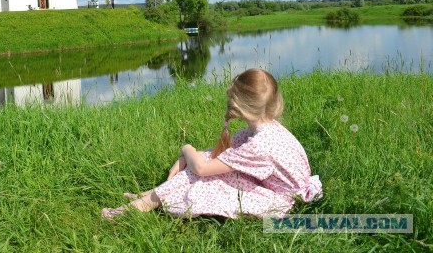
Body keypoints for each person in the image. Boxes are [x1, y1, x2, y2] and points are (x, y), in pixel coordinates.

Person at [101, 68, 322, 220]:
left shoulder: (259, 145)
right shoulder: (266, 127)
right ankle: (151, 195)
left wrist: (186, 148)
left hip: (280, 203)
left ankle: (137, 207)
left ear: (239, 106)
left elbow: (202, 169)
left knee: (200, 177)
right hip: (284, 190)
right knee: (205, 163)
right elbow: (216, 154)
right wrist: (186, 158)